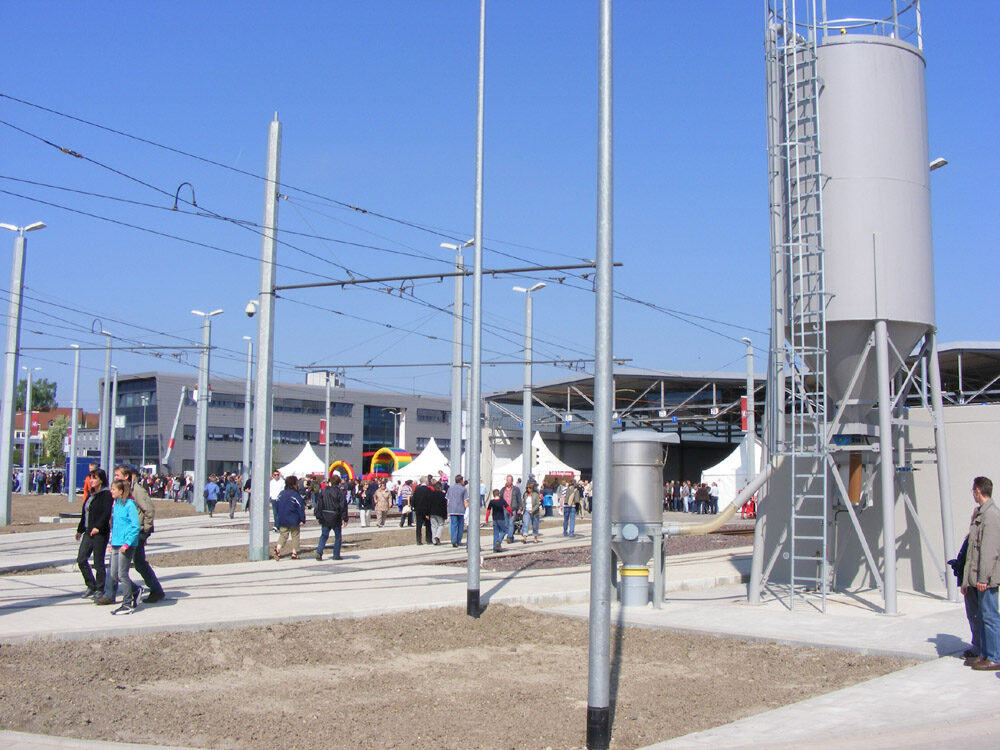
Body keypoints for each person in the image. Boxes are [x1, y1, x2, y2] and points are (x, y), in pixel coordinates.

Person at [962, 476, 1000, 670]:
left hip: (987, 579)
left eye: (973, 491)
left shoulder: (991, 515)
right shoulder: (980, 514)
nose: (973, 495)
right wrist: (967, 579)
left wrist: (983, 578)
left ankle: (995, 656)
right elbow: (972, 550)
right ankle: (985, 654)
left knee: (990, 617)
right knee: (982, 616)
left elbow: (989, 551)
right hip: (977, 578)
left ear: (978, 491)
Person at [114, 465, 164, 604]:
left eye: (118, 475)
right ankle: (155, 590)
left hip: (138, 532)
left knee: (137, 563)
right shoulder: (125, 491)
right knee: (139, 563)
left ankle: (152, 590)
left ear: (126, 476)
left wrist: (145, 529)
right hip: (130, 532)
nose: (115, 478)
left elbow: (149, 510)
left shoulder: (137, 491)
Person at [76, 468, 112, 599]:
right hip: (87, 531)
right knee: (81, 559)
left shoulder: (106, 494)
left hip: (99, 533)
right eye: (91, 478)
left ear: (101, 480)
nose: (91, 481)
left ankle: (100, 588)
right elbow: (85, 514)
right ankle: (91, 585)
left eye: (94, 478)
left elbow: (106, 512)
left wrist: (98, 527)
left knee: (98, 562)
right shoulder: (91, 495)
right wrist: (80, 530)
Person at [107, 478, 142, 615]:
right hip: (116, 543)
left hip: (126, 545)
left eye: (113, 489)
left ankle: (127, 604)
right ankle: (136, 590)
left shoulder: (130, 505)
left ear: (121, 491)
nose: (111, 491)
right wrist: (111, 542)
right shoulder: (115, 504)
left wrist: (127, 543)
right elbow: (116, 525)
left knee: (122, 574)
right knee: (114, 575)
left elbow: (135, 525)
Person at [314, 474, 348, 560]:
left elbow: (319, 503)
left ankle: (319, 551)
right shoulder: (340, 492)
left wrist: (318, 514)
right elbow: (343, 506)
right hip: (335, 516)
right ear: (339, 483)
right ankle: (336, 555)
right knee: (338, 536)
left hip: (325, 515)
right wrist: (345, 518)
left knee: (324, 535)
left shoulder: (324, 491)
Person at [273, 475, 306, 560]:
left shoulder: (281, 494)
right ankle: (294, 553)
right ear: (294, 484)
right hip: (293, 518)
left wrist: (278, 516)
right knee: (295, 535)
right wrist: (302, 519)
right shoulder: (295, 494)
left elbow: (277, 505)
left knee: (283, 535)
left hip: (282, 517)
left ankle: (278, 549)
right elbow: (300, 507)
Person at [446, 474, 468, 547]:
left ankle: (453, 540)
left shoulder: (450, 488)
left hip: (452, 509)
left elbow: (448, 500)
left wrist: (448, 509)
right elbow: (465, 501)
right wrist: (467, 509)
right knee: (460, 526)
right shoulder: (463, 489)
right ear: (461, 480)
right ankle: (458, 541)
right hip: (460, 509)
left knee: (453, 525)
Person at [410, 476, 433, 545]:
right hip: (426, 510)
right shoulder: (428, 490)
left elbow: (413, 499)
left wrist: (413, 506)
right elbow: (430, 501)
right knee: (428, 525)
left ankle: (418, 540)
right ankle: (428, 539)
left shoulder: (417, 490)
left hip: (418, 509)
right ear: (426, 482)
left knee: (419, 525)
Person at [502, 475, 523, 545]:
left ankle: (509, 537)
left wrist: (520, 508)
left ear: (512, 481)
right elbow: (500, 498)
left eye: (509, 480)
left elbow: (519, 499)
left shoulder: (516, 489)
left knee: (511, 523)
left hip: (512, 509)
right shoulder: (503, 489)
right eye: (507, 480)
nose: (508, 482)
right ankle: (511, 536)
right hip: (505, 509)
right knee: (506, 524)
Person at [429, 480, 448, 545]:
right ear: (440, 488)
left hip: (432, 512)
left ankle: (434, 540)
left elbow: (428, 504)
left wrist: (428, 513)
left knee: (433, 526)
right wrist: (445, 514)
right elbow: (444, 505)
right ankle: (437, 536)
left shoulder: (431, 494)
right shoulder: (442, 495)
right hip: (440, 512)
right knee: (441, 525)